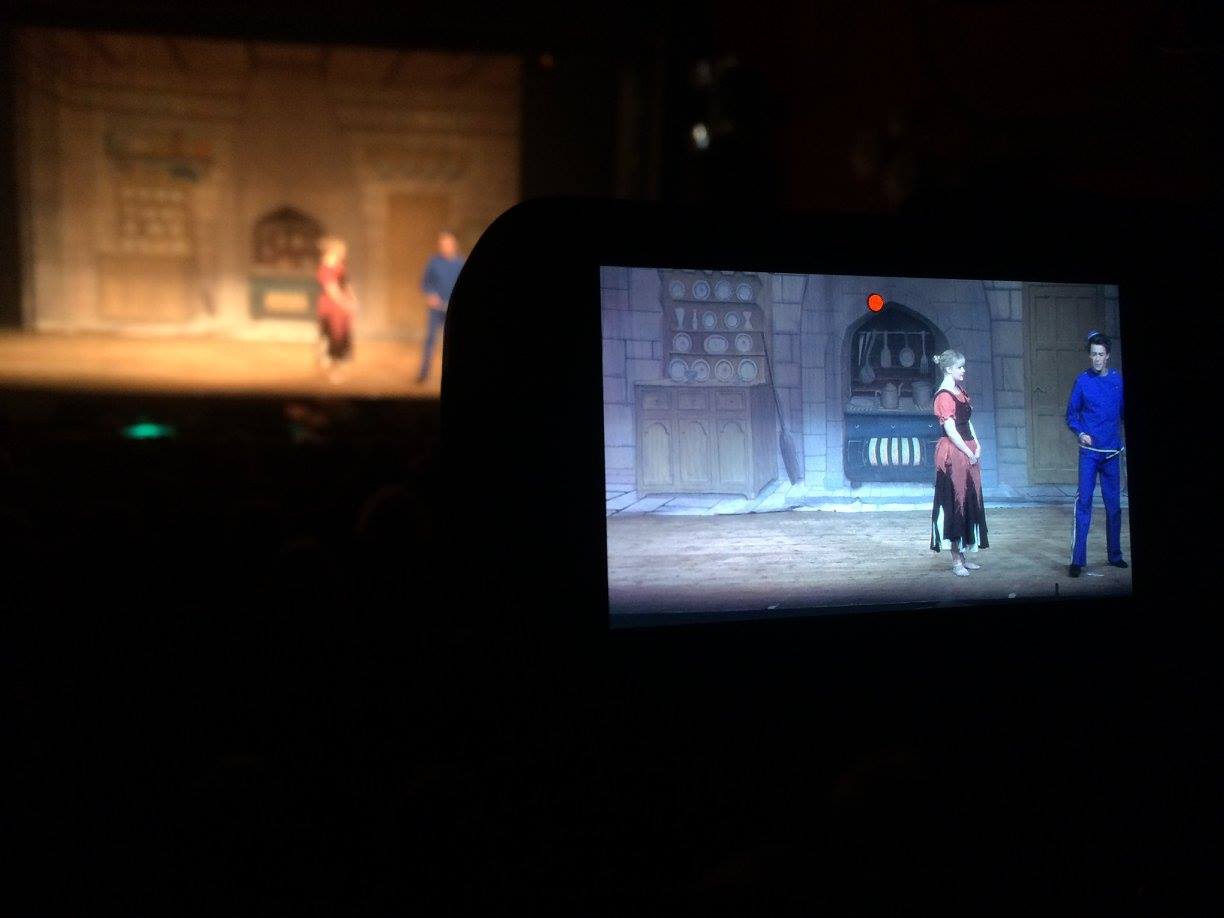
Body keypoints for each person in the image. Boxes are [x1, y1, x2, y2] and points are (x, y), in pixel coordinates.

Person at [1066, 331, 1127, 577]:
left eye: (1101, 354)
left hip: (1111, 453)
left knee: (1114, 507)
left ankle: (1115, 555)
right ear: (1089, 356)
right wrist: (1080, 432)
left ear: (1108, 355)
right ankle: (1077, 560)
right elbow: (1071, 415)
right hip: (1090, 454)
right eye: (1093, 354)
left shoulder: (1117, 380)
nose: (1097, 359)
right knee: (1084, 504)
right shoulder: (1082, 381)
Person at [929, 349, 989, 575]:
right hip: (953, 452)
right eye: (959, 367)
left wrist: (977, 445)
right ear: (948, 369)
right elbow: (951, 430)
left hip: (967, 449)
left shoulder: (960, 391)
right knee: (954, 502)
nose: (963, 370)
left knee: (968, 500)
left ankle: (963, 556)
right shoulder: (944, 395)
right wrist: (967, 450)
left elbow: (967, 422)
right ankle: (956, 560)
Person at [416, 230, 465, 384]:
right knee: (430, 340)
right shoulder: (433, 262)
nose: (444, 246)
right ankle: (424, 374)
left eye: (447, 243)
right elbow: (425, 283)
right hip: (436, 310)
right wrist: (430, 295)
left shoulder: (461, 263)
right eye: (441, 243)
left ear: (454, 244)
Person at [315, 237, 358, 383]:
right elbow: (331, 289)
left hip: (341, 308)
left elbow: (346, 284)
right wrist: (345, 303)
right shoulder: (326, 268)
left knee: (341, 338)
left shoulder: (340, 265)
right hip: (332, 307)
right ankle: (334, 372)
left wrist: (353, 300)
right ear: (333, 250)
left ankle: (336, 365)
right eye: (342, 250)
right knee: (334, 338)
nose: (345, 252)